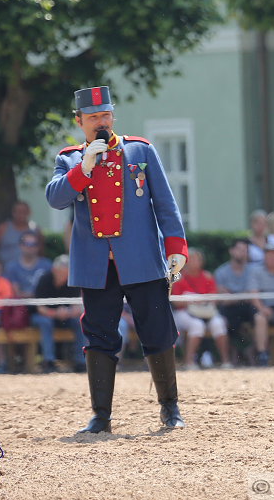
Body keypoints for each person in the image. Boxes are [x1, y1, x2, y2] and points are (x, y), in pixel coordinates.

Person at [45, 85, 188, 433]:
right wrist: (85, 166)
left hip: (141, 259)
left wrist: (176, 248)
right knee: (99, 337)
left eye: (105, 115)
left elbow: (165, 204)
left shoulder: (140, 150)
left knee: (157, 330)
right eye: (93, 117)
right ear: (79, 121)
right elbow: (55, 198)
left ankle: (170, 408)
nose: (101, 122)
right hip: (97, 265)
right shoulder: (70, 158)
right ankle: (100, 417)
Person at [171, 248, 233, 370]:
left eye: (197, 259)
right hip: (184, 312)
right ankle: (189, 362)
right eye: (192, 259)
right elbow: (176, 303)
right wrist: (191, 300)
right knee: (197, 325)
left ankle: (225, 361)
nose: (195, 262)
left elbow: (214, 300)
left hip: (206, 312)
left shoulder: (208, 277)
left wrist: (203, 300)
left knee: (219, 324)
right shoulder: (179, 278)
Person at [33, 255, 86, 373]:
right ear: (54, 270)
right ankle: (49, 361)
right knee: (45, 322)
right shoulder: (44, 279)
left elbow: (79, 307)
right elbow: (39, 308)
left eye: (66, 274)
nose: (64, 278)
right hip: (45, 316)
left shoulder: (72, 281)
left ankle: (81, 361)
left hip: (66, 317)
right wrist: (55, 313)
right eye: (61, 274)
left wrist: (68, 312)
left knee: (80, 322)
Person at [214, 239, 254, 363]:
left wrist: (231, 295)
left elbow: (251, 295)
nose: (242, 253)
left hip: (247, 308)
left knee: (259, 317)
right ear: (231, 251)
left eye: (245, 250)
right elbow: (223, 299)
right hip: (229, 310)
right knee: (223, 321)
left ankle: (252, 351)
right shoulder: (220, 272)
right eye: (240, 250)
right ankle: (232, 354)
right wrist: (242, 295)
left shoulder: (252, 272)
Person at [0, 201, 44, 266]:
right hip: (5, 271)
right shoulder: (2, 228)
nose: (21, 214)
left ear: (29, 212)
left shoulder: (35, 229)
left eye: (24, 212)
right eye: (19, 212)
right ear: (13, 213)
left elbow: (41, 251)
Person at [3, 231, 52, 300]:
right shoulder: (11, 267)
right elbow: (15, 293)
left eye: (34, 244)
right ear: (20, 245)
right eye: (27, 244)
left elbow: (50, 291)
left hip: (43, 304)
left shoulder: (47, 265)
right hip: (20, 306)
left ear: (38, 246)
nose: (30, 247)